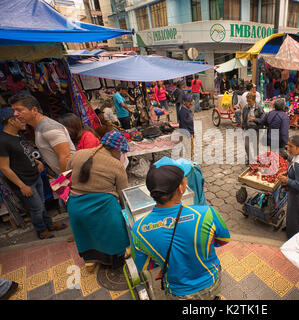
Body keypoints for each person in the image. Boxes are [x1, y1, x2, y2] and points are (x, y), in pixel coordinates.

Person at [131, 161, 230, 300]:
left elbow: (144, 265)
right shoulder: (206, 213)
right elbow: (223, 240)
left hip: (178, 292)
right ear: (181, 188)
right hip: (212, 281)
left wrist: (166, 258)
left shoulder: (139, 229)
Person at [67, 131, 130, 272]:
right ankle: (115, 259)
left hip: (75, 207)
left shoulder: (78, 154)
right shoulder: (116, 164)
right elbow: (123, 194)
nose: (121, 154)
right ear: (115, 149)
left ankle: (90, 260)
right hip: (104, 209)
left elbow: (68, 177)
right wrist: (125, 215)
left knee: (85, 234)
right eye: (120, 151)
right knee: (115, 228)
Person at [0, 107, 68, 239]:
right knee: (36, 208)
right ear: (11, 121)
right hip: (25, 182)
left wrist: (37, 162)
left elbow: (24, 153)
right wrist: (22, 186)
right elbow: (4, 168)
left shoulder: (18, 134)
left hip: (35, 176)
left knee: (41, 204)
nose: (23, 120)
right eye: (19, 118)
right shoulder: (3, 141)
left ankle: (49, 224)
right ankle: (41, 231)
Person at [10, 93, 76, 176]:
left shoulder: (48, 127)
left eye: (19, 110)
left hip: (74, 177)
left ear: (34, 110)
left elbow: (66, 157)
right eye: (14, 111)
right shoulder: (39, 127)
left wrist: (64, 181)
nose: (15, 114)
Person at [278, 135, 299, 239]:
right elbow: (292, 165)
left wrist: (286, 180)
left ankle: (294, 237)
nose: (287, 148)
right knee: (292, 213)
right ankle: (290, 228)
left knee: (297, 215)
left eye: (291, 146)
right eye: (288, 145)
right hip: (298, 193)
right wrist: (287, 171)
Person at [178, 94, 194, 159]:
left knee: (190, 151)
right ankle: (188, 164)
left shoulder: (187, 110)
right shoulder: (183, 112)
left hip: (189, 133)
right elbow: (183, 125)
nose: (191, 103)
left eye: (191, 101)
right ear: (184, 102)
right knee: (187, 151)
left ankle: (189, 162)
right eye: (188, 101)